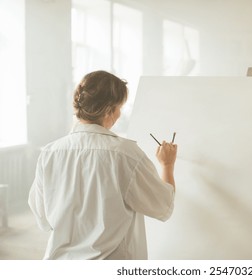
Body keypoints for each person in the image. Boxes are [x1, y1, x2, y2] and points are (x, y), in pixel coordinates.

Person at [28, 70, 177, 259]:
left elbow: (42, 217)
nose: (119, 114)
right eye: (119, 108)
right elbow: (162, 205)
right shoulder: (126, 155)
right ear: (108, 110)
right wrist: (168, 165)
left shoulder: (49, 153)